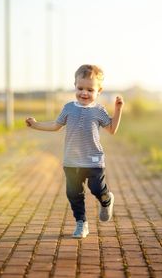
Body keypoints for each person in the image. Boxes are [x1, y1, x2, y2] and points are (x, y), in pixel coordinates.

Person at [26, 64, 124, 238]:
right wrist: (36, 124)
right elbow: (56, 126)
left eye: (89, 89)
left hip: (93, 160)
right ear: (75, 86)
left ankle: (106, 199)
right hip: (71, 161)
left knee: (96, 188)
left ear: (98, 91)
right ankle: (81, 223)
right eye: (80, 88)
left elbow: (112, 129)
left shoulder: (99, 111)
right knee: (73, 193)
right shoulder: (68, 108)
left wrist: (118, 110)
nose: (84, 93)